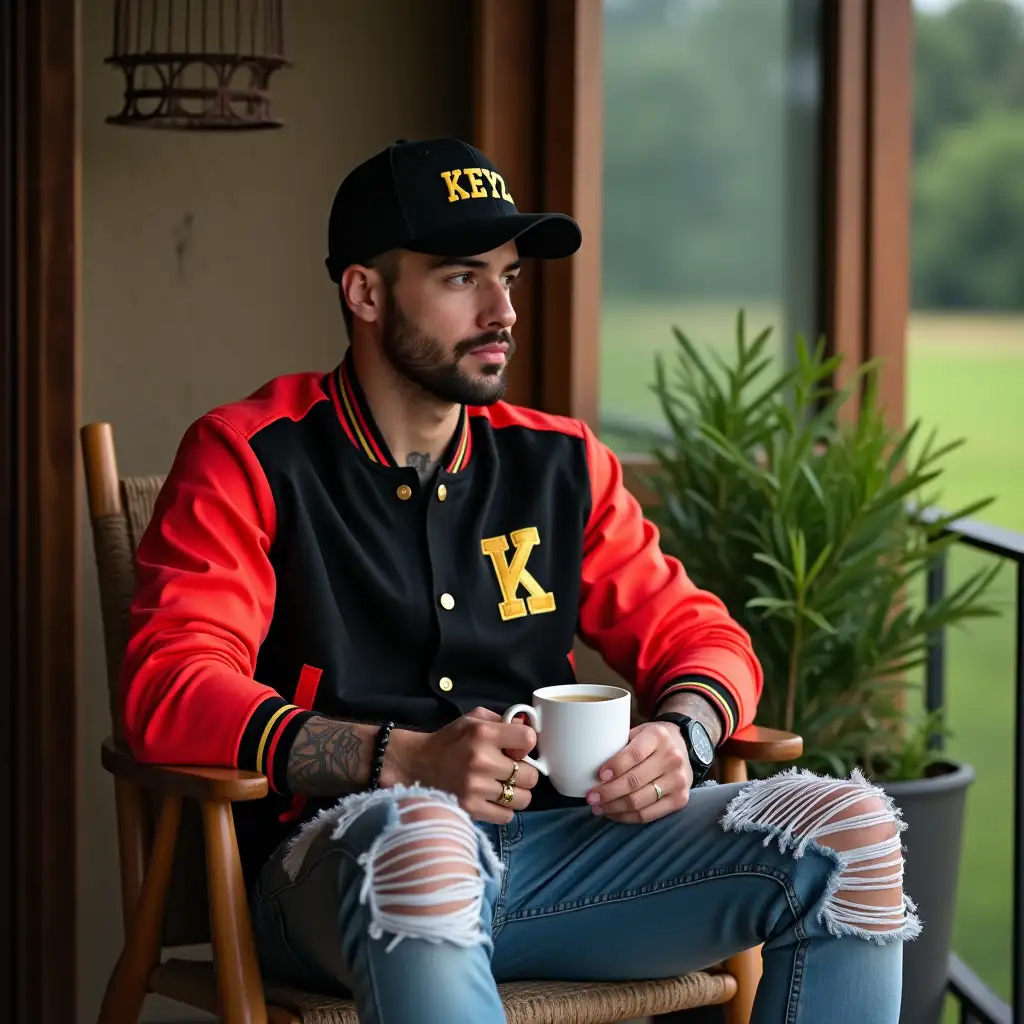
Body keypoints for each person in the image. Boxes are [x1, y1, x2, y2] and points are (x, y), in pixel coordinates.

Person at [121, 137, 920, 1024]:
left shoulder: (561, 464)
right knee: (422, 834)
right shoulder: (249, 456)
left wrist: (683, 740)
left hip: (557, 864)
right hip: (338, 873)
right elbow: (167, 687)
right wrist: (402, 759)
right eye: (464, 277)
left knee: (849, 830)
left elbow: (705, 638)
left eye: (510, 276)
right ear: (367, 292)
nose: (503, 308)